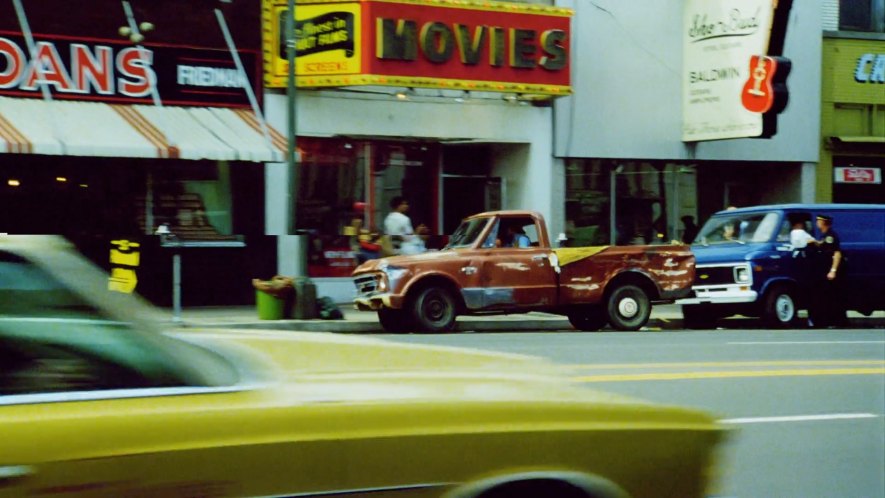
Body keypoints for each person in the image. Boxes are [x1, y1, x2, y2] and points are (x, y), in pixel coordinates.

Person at [809, 214, 846, 328]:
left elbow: (837, 253)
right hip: (824, 272)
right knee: (825, 296)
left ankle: (836, 322)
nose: (816, 222)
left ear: (823, 222)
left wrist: (833, 270)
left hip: (831, 272)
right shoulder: (824, 236)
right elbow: (823, 246)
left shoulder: (831, 236)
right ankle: (827, 321)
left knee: (833, 297)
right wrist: (815, 243)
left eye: (818, 221)